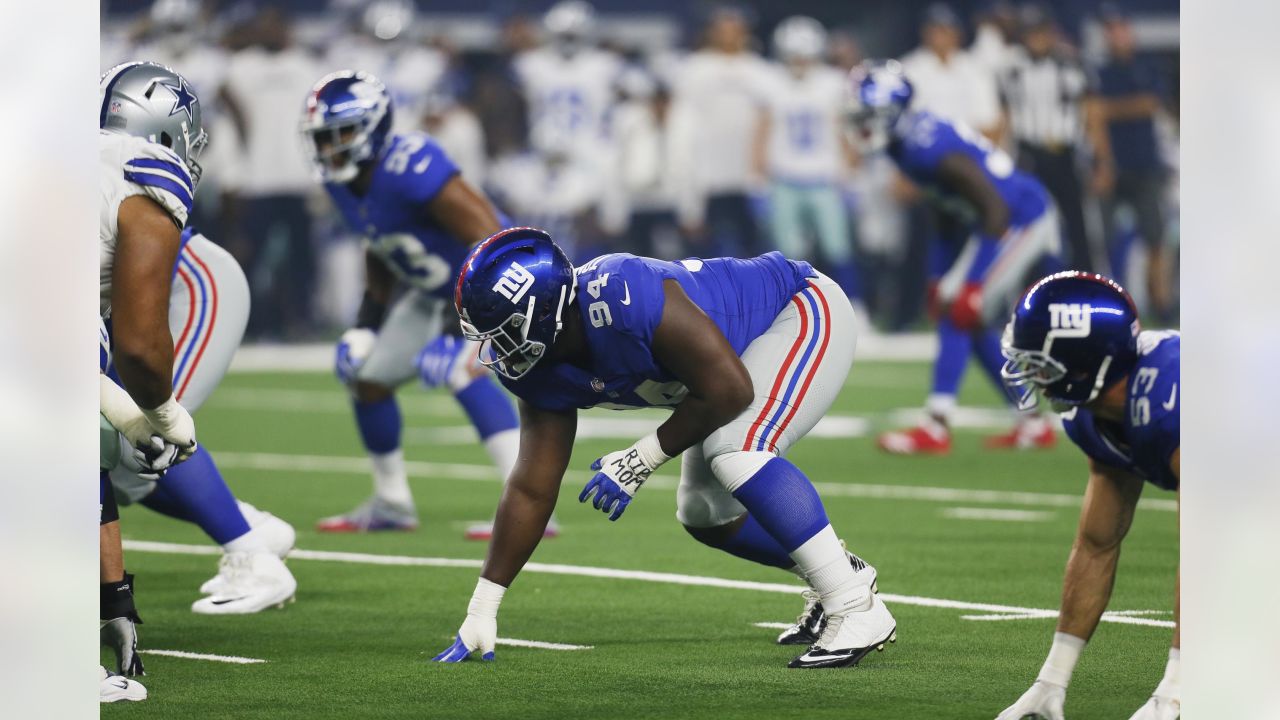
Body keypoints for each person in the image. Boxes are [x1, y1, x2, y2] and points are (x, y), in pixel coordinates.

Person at [433, 227, 895, 669]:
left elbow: (730, 390)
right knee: (703, 512)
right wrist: (483, 606)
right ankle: (839, 571)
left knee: (737, 448)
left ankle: (853, 604)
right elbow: (533, 487)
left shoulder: (621, 296)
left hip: (799, 309)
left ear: (544, 311)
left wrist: (642, 458)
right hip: (726, 368)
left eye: (505, 331)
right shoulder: (536, 369)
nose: (496, 349)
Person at [301, 70, 544, 540]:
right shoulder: (343, 182)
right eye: (323, 138)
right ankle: (392, 503)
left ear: (373, 127)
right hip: (440, 291)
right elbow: (379, 243)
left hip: (507, 280)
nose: (331, 148)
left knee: (461, 369)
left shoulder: (410, 166)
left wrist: (461, 332)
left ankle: (533, 508)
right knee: (367, 376)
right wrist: (365, 325)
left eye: (342, 134)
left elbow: (490, 237)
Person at [100, 62, 298, 615]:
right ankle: (251, 528)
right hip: (157, 290)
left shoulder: (137, 172)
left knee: (143, 438)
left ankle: (252, 557)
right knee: (119, 450)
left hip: (196, 285)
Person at [846, 61, 1063, 454]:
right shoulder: (905, 143)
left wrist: (974, 281)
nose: (861, 125)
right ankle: (1031, 422)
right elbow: (948, 209)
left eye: (868, 115)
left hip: (1020, 218)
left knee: (961, 308)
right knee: (963, 312)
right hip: (997, 219)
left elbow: (994, 209)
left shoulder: (926, 148)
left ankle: (937, 424)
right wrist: (939, 275)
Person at [995, 271, 1179, 720]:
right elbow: (1097, 545)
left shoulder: (1172, 398)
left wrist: (1178, 688)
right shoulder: (1095, 419)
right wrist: (1051, 681)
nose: (1029, 374)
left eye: (1040, 363)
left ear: (1084, 363)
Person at [753, 16, 864, 315]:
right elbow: (762, 130)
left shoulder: (832, 82)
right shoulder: (771, 83)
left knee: (837, 248)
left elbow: (846, 129)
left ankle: (855, 306)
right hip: (784, 178)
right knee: (787, 254)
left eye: (805, 54)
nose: (800, 61)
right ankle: (790, 312)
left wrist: (851, 169)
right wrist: (759, 179)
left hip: (824, 177)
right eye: (793, 55)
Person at [999, 3, 1113, 273]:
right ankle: (1028, 293)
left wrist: (1102, 159)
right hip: (1029, 154)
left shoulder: (1072, 63)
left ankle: (1086, 289)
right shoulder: (1010, 67)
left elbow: (1092, 114)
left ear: (1050, 32)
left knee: (1080, 226)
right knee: (1027, 226)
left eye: (1040, 31)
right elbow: (1003, 117)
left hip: (1065, 153)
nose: (1036, 38)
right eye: (1030, 32)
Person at [1093, 4, 1174, 319]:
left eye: (1120, 28)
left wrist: (1109, 110)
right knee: (1107, 243)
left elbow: (1150, 103)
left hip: (1146, 165)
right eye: (1111, 30)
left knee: (1156, 240)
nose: (1117, 35)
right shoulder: (1099, 68)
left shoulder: (1148, 65)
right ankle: (1114, 308)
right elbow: (1093, 113)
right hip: (1112, 167)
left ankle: (1162, 305)